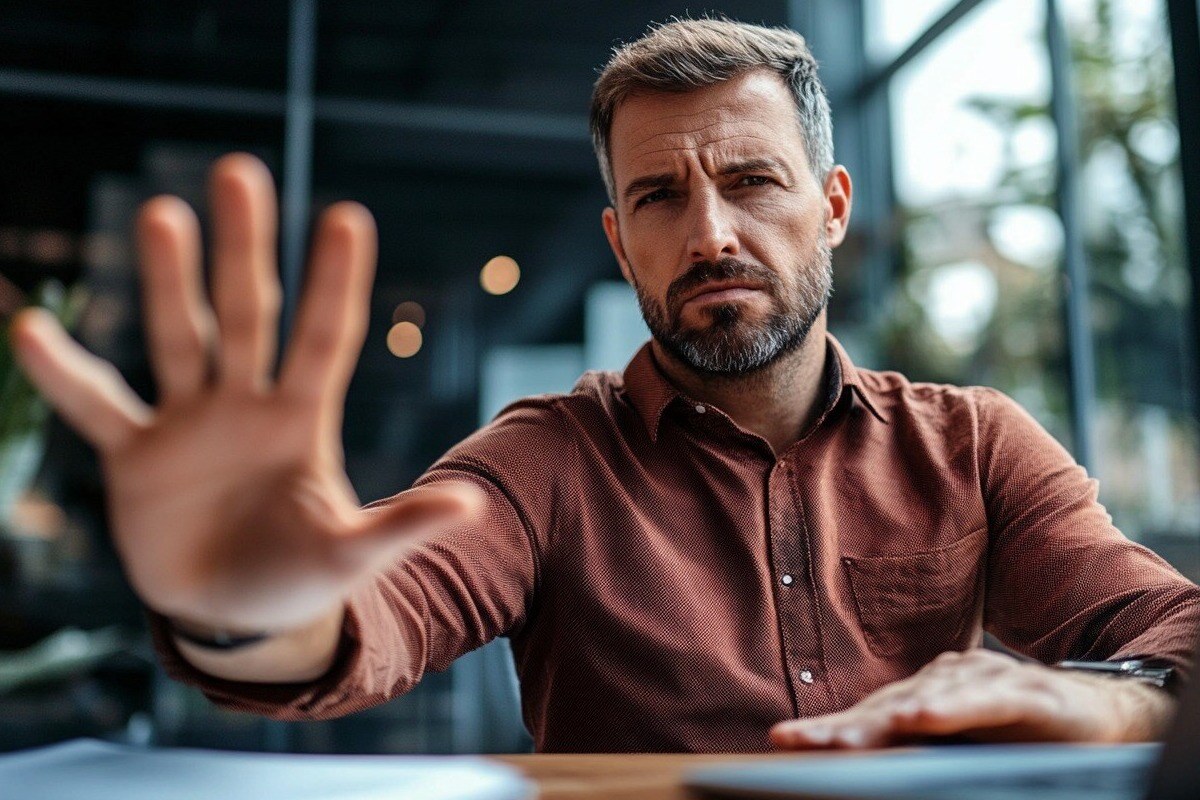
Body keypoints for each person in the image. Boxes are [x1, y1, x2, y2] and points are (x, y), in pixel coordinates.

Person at [9, 18, 1199, 753]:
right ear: (621, 241)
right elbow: (369, 621)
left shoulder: (975, 445)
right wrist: (242, 601)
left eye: (753, 180)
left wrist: (1119, 697)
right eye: (660, 198)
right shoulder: (548, 459)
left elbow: (1175, 631)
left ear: (832, 204)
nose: (712, 231)